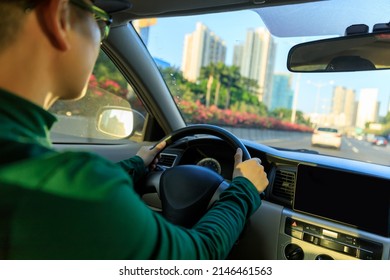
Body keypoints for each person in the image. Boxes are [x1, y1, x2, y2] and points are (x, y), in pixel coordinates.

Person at [0, 0, 268, 259]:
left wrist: (137, 163)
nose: (101, 38)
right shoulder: (74, 186)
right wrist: (243, 189)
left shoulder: (33, 173)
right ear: (58, 18)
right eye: (100, 21)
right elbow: (195, 258)